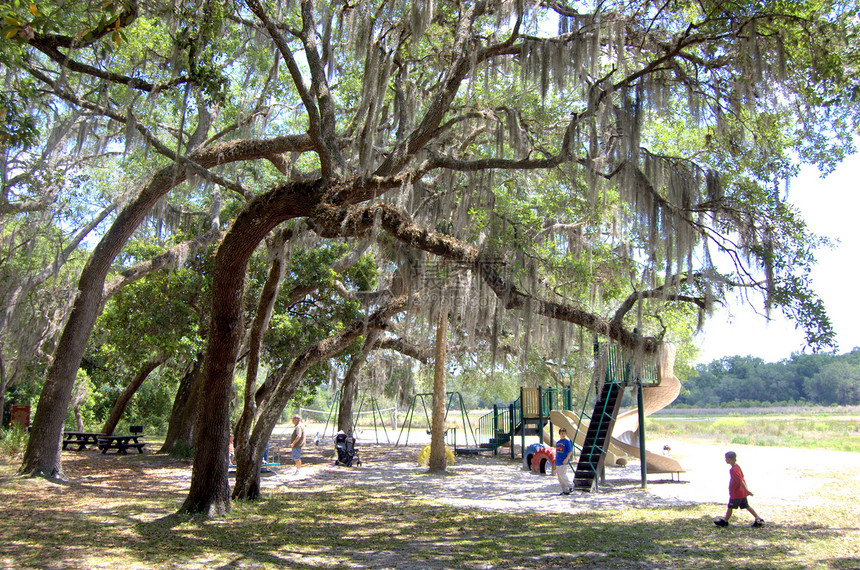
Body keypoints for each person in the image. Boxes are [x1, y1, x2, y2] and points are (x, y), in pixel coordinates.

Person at [714, 451, 765, 527]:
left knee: (730, 506)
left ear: (730, 459)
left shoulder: (733, 470)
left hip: (737, 493)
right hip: (741, 492)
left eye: (726, 459)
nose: (725, 460)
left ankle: (725, 521)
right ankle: (758, 518)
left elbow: (740, 480)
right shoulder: (737, 467)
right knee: (746, 506)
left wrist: (747, 490)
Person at [552, 427, 573, 495]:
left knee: (563, 475)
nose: (563, 435)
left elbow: (570, 451)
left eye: (564, 433)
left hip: (564, 461)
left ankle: (571, 485)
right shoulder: (558, 443)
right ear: (559, 434)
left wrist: (567, 458)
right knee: (560, 477)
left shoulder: (567, 442)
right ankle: (565, 490)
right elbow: (557, 453)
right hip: (558, 461)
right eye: (561, 433)